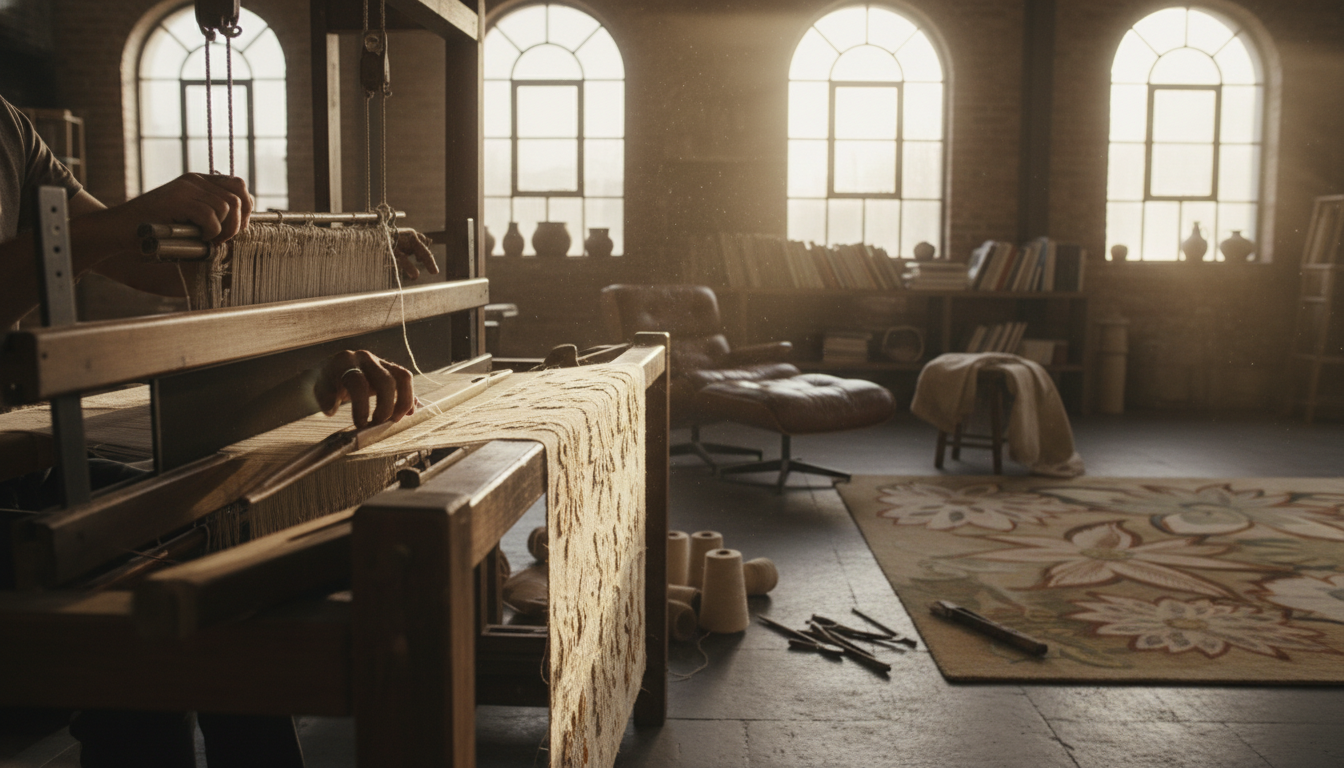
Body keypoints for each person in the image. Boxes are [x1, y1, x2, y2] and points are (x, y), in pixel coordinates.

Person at [0, 95, 429, 766]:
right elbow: (95, 239)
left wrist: (346, 253)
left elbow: (138, 254)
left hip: (16, 470)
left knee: (218, 529)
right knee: (142, 585)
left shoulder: (8, 130)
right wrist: (112, 229)